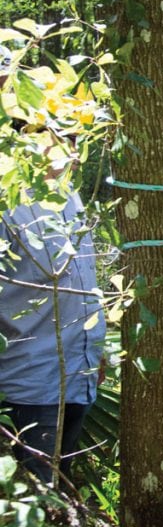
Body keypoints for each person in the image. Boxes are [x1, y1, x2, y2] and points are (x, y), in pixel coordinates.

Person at [0, 189, 106, 486]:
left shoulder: (71, 195)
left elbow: (83, 278)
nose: (74, 148)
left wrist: (95, 353)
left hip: (78, 376)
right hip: (29, 384)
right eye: (67, 139)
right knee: (38, 499)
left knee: (61, 494)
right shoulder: (7, 200)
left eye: (77, 139)